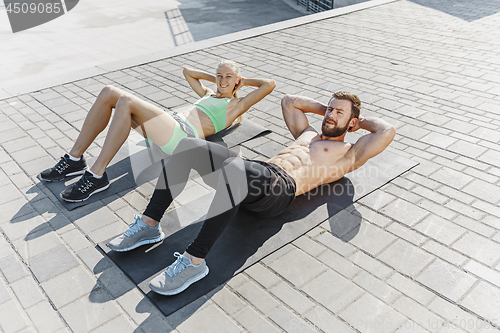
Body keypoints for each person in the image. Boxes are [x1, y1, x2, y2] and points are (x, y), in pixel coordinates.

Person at [107, 91, 396, 296]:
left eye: (338, 113)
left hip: (279, 191)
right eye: (330, 110)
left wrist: (354, 118)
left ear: (354, 123)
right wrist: (328, 108)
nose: (331, 115)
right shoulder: (306, 132)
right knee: (187, 146)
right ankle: (148, 226)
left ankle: (194, 263)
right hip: (255, 173)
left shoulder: (350, 153)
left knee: (235, 169)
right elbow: (289, 101)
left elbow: (386, 131)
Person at [38, 60, 276, 202]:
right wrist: (215, 79)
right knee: (109, 92)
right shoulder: (208, 94)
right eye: (220, 76)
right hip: (168, 126)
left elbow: (269, 85)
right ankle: (74, 159)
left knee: (125, 101)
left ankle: (97, 175)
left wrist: (240, 83)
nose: (223, 81)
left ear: (237, 80)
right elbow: (187, 71)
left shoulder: (235, 105)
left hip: (181, 138)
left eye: (229, 77)